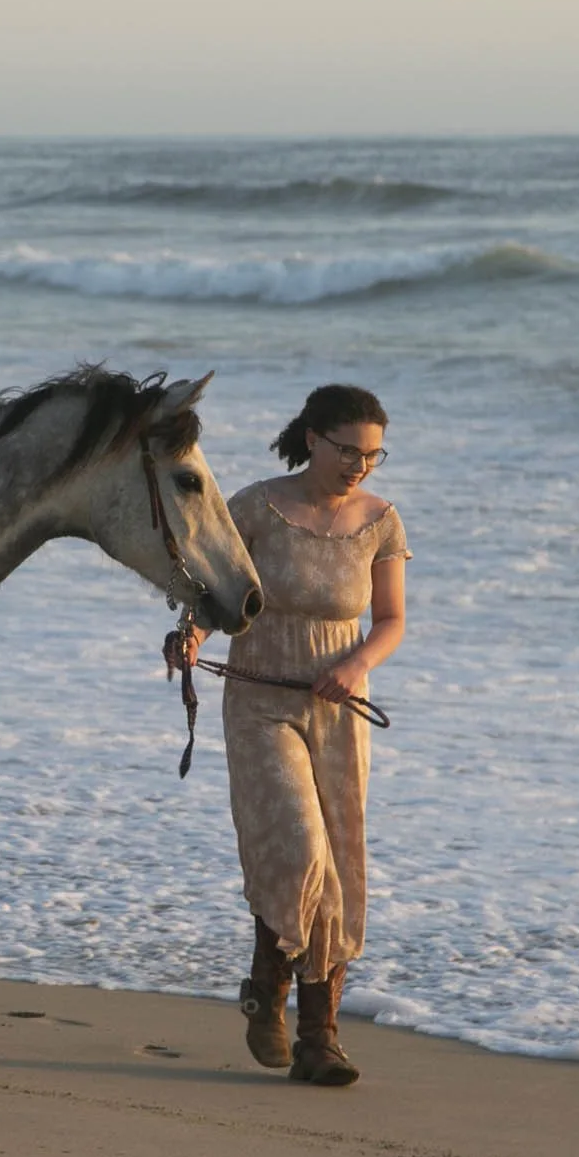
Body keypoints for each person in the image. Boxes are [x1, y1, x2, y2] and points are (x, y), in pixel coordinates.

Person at [175, 385, 408, 1086]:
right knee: (300, 848)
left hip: (338, 710)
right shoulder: (255, 507)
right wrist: (190, 634)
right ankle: (268, 980)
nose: (361, 465)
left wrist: (357, 662)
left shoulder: (381, 521)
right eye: (349, 450)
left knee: (338, 868)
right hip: (259, 698)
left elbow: (391, 620)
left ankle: (317, 1037)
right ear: (313, 438)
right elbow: (217, 596)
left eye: (373, 454)